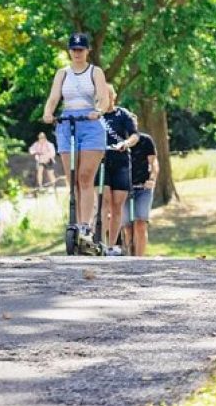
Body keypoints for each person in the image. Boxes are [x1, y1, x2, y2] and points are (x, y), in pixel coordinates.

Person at [42, 32, 108, 241]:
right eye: (74, 49)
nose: (77, 53)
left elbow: (104, 99)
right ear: (69, 51)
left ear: (88, 51)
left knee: (85, 176)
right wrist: (48, 113)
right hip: (67, 123)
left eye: (81, 49)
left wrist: (98, 111)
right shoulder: (62, 74)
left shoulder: (95, 72)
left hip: (89, 122)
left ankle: (86, 225)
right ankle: (77, 223)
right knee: (73, 180)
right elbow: (53, 98)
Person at [99, 84, 139, 255]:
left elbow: (134, 135)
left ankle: (112, 245)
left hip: (121, 161)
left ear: (113, 97)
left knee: (117, 205)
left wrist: (125, 143)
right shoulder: (95, 116)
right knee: (105, 202)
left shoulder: (123, 114)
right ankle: (99, 242)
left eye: (107, 95)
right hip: (101, 162)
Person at [122, 115, 159, 257]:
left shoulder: (146, 140)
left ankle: (140, 259)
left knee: (140, 223)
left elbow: (154, 163)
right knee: (127, 227)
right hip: (124, 188)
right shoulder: (119, 142)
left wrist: (152, 179)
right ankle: (129, 256)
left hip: (143, 187)